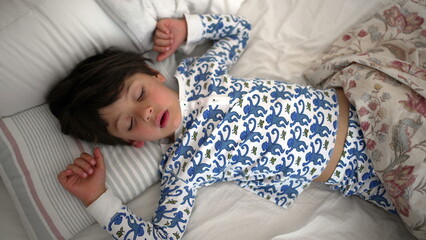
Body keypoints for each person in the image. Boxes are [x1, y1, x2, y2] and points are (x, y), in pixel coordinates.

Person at [47, 14, 396, 239]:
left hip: (366, 103)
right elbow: (161, 236)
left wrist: (187, 29)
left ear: (155, 74)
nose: (147, 111)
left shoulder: (199, 73)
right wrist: (99, 199)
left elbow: (238, 32)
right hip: (362, 170)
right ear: (133, 142)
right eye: (130, 122)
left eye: (139, 94)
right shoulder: (181, 167)